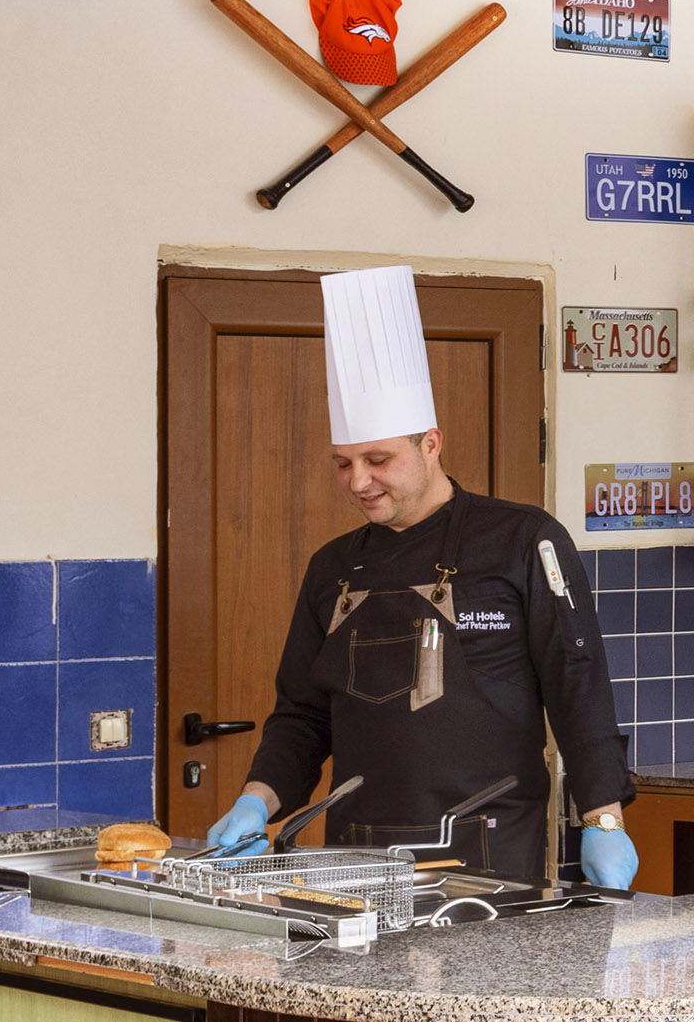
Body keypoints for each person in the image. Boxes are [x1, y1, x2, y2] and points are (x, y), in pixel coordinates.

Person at [210, 267, 637, 889]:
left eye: (379, 459)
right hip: (352, 856)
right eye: (343, 464)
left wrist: (603, 820)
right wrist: (259, 799)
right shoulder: (333, 567)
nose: (358, 481)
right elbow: (303, 716)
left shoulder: (523, 539)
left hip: (487, 854)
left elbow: (577, 684)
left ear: (431, 443)